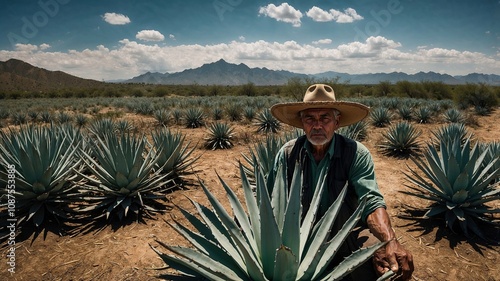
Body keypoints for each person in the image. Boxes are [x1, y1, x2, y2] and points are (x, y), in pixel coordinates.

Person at [268, 84, 414, 281]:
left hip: (345, 235)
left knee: (389, 266)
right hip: (293, 243)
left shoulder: (355, 153)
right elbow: (268, 203)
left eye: (325, 118)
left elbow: (371, 202)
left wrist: (390, 241)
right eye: (310, 118)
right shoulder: (287, 154)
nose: (317, 125)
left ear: (337, 122)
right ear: (302, 123)